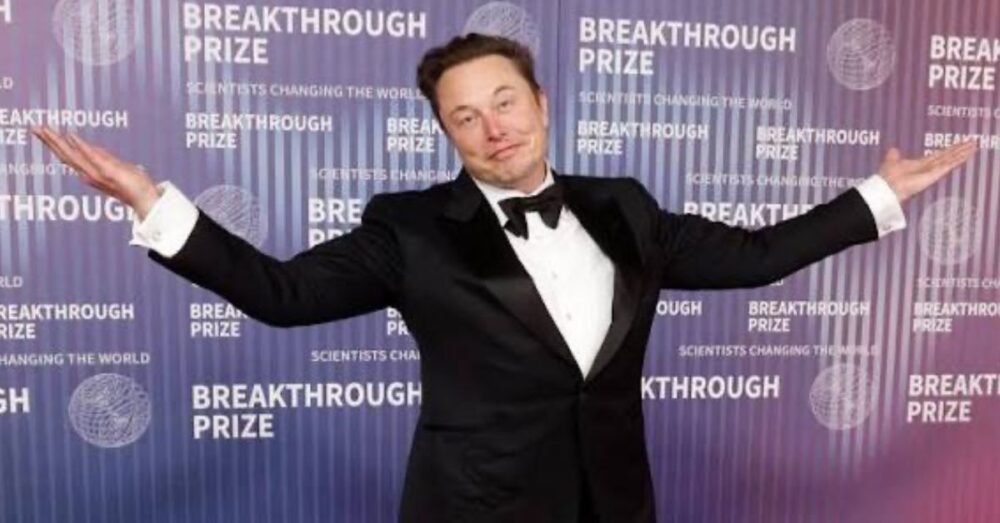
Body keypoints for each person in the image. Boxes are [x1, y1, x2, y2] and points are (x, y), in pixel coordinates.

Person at [33, 33, 976, 523]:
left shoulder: (625, 207)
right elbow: (284, 296)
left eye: (506, 101)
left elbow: (757, 258)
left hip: (615, 503)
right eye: (466, 116)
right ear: (445, 132)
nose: (494, 128)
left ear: (541, 103)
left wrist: (874, 197)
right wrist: (155, 202)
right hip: (477, 511)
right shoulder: (409, 229)